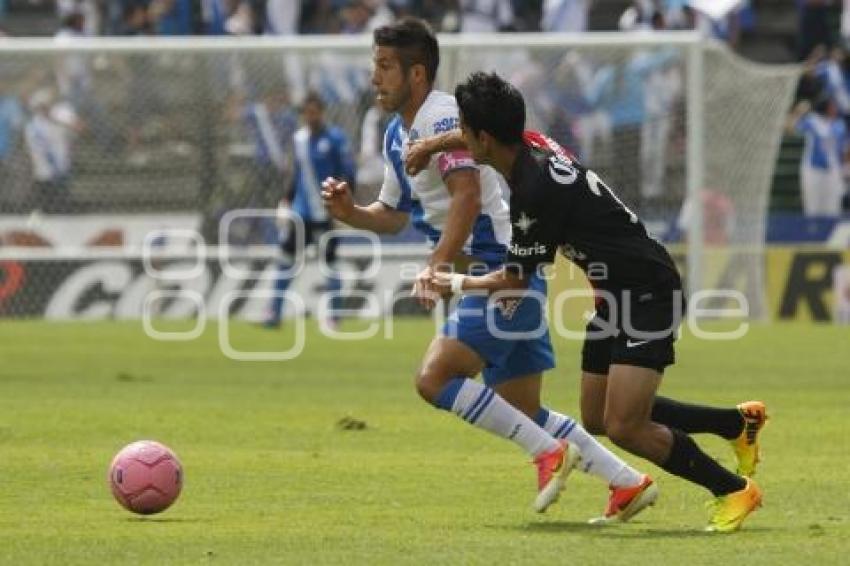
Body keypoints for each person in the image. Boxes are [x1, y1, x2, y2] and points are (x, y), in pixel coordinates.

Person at [322, 17, 658, 521]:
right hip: (501, 274)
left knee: (434, 379)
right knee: (523, 410)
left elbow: (467, 197)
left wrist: (435, 267)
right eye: (375, 66)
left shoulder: (439, 118)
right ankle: (627, 483)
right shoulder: (399, 133)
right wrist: (351, 213)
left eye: (386, 66)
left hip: (500, 270)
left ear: (417, 75)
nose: (375, 77)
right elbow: (393, 216)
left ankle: (548, 454)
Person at [414, 71, 767, 532]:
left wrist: (453, 282)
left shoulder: (533, 195)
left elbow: (515, 281)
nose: (458, 135)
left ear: (484, 137)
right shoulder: (531, 144)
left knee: (626, 425)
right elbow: (477, 138)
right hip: (611, 293)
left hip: (648, 293)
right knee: (598, 414)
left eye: (462, 128)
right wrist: (429, 147)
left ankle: (733, 490)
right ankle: (736, 424)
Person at [263, 91, 357, 328]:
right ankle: (273, 313)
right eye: (307, 112)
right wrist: (286, 200)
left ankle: (334, 315)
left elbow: (348, 173)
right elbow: (296, 175)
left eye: (315, 112)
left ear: (322, 112)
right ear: (303, 114)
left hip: (325, 213)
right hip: (301, 214)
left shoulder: (335, 138)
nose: (311, 116)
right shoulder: (299, 140)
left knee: (330, 264)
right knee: (285, 261)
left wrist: (345, 206)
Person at [788, 95, 848, 218]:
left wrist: (845, 169)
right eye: (832, 106)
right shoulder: (811, 121)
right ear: (826, 107)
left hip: (833, 172)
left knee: (832, 209)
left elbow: (845, 149)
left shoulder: (839, 126)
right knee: (813, 208)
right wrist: (798, 112)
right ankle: (812, 235)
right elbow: (791, 128)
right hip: (813, 170)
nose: (835, 109)